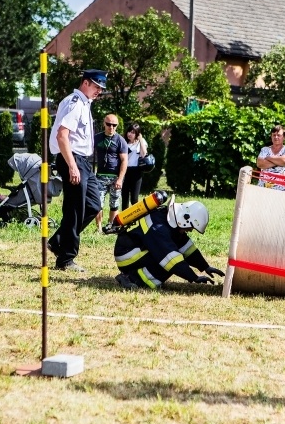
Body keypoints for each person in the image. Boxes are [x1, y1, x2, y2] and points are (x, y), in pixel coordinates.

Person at [46, 70, 106, 272]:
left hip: (83, 162)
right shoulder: (74, 103)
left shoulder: (83, 103)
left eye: (101, 88)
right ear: (86, 83)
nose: (99, 91)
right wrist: (72, 165)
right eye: (97, 86)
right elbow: (62, 136)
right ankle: (66, 259)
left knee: (93, 205)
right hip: (73, 158)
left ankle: (57, 242)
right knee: (74, 209)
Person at [113, 196, 224, 290]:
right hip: (127, 257)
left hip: (134, 250)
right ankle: (132, 279)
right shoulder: (158, 228)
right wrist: (194, 277)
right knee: (169, 263)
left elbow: (186, 247)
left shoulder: (167, 220)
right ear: (185, 219)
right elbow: (171, 259)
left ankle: (136, 276)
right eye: (191, 227)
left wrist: (205, 266)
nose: (190, 230)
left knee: (172, 257)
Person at [94, 114, 128, 232]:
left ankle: (110, 226)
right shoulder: (97, 138)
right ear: (104, 124)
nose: (111, 127)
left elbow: (124, 161)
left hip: (115, 177)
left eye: (114, 125)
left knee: (114, 203)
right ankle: (98, 228)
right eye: (108, 124)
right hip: (100, 176)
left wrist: (120, 179)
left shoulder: (120, 140)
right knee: (98, 203)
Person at [256, 124, 285, 191]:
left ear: (284, 137)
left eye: (279, 135)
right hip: (263, 188)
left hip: (282, 190)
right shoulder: (265, 149)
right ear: (271, 136)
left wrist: (269, 158)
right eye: (274, 135)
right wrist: (279, 161)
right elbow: (259, 163)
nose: (276, 137)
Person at [122, 122, 148, 207]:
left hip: (136, 171)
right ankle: (125, 219)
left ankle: (135, 218)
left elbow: (144, 154)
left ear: (137, 134)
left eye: (133, 132)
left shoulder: (141, 142)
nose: (129, 134)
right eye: (129, 131)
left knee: (134, 199)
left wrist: (140, 139)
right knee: (124, 197)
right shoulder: (124, 143)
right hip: (125, 171)